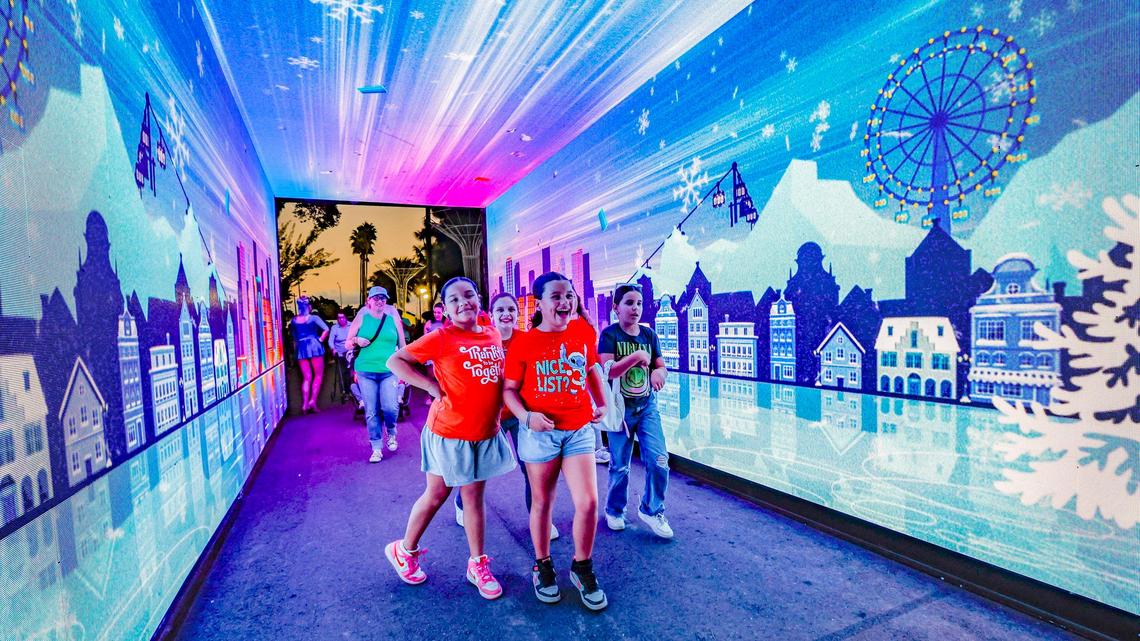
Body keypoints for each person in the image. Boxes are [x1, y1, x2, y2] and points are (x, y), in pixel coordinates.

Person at [383, 277, 516, 600]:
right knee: (436, 494)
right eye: (454, 300)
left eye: (468, 295)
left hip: (484, 433)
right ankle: (405, 550)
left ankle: (477, 565)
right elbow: (396, 361)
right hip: (449, 433)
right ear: (445, 309)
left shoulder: (492, 333)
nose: (463, 302)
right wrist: (430, 387)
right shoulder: (441, 337)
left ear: (478, 298)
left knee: (473, 499)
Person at [503, 272, 609, 611]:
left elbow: (591, 368)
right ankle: (543, 565)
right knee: (542, 504)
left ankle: (582, 567)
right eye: (557, 297)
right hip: (540, 434)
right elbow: (508, 391)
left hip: (578, 429)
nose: (565, 303)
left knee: (589, 503)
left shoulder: (582, 331)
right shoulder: (525, 342)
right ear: (541, 303)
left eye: (570, 295)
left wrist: (602, 401)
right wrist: (526, 417)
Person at [454, 293, 559, 540]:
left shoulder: (527, 340)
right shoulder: (482, 339)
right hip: (489, 416)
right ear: (491, 314)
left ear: (518, 313)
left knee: (531, 467)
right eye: (500, 309)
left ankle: (539, 519)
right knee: (480, 468)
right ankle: (462, 503)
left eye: (511, 309)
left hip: (521, 414)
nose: (506, 314)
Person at [599, 283, 674, 539]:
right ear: (616, 308)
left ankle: (652, 509)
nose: (635, 308)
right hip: (620, 408)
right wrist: (636, 356)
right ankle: (614, 509)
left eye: (639, 303)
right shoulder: (609, 334)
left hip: (647, 406)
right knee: (620, 465)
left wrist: (658, 372)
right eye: (629, 303)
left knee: (660, 461)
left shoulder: (649, 335)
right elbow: (608, 370)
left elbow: (661, 365)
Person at [345, 286, 405, 462]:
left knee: (390, 407)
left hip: (389, 370)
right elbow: (347, 343)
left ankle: (392, 432)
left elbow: (402, 345)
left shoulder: (393, 319)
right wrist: (356, 340)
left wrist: (406, 366)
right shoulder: (361, 318)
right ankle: (376, 447)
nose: (380, 301)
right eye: (376, 298)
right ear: (368, 301)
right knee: (371, 411)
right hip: (366, 371)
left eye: (383, 298)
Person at [289, 296, 329, 413]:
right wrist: (320, 340)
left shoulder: (294, 321)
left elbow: (294, 338)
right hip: (315, 346)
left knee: (306, 378)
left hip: (301, 347)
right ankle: (313, 400)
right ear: (309, 307)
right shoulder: (314, 318)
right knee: (318, 375)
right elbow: (326, 329)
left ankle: (305, 404)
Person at [328, 311, 353, 403]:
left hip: (351, 352)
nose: (341, 319)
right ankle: (345, 392)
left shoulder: (351, 326)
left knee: (351, 373)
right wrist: (333, 349)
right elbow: (331, 341)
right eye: (339, 318)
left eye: (342, 317)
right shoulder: (334, 328)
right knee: (342, 373)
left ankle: (353, 390)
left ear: (346, 318)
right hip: (340, 353)